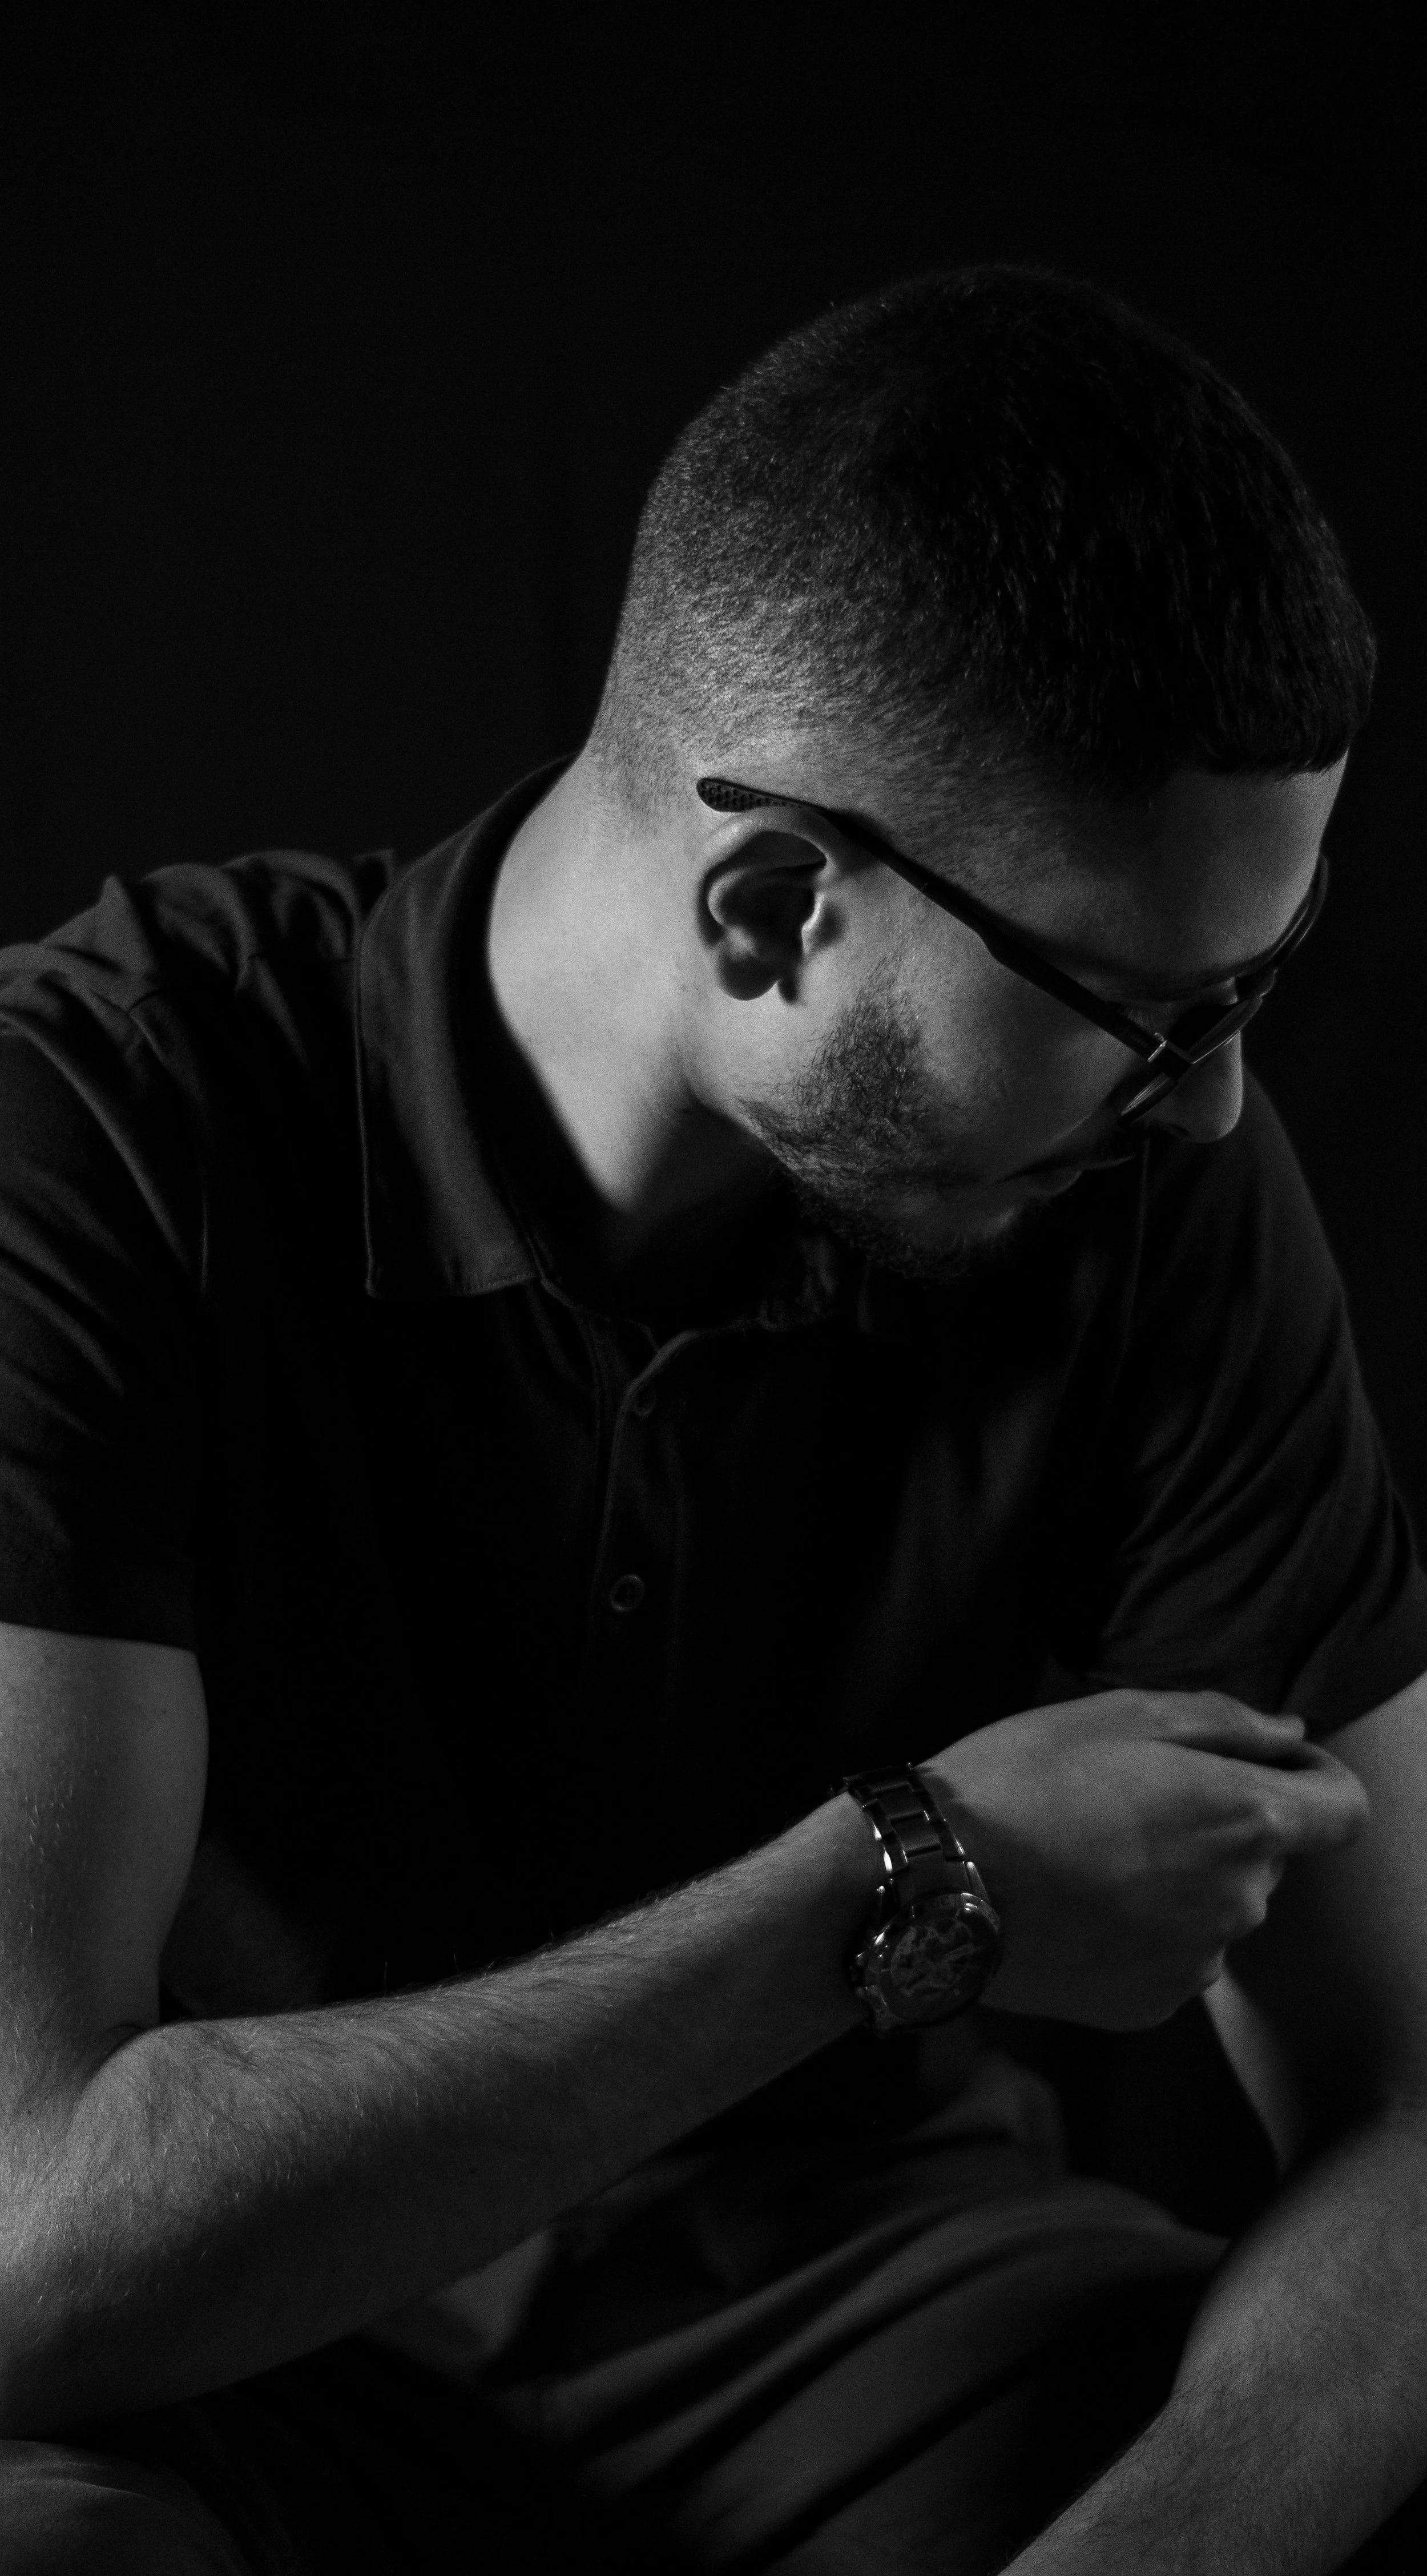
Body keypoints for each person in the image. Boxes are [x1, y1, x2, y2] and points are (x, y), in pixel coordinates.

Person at [1, 263, 1425, 2576]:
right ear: (767, 911)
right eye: (1153, 1016)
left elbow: (1418, 2107)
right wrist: (897, 1884)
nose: (1211, 1107)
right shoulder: (95, 1131)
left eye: (1257, 989)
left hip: (869, 2335)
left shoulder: (1145, 1186)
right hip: (227, 2360)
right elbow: (29, 2252)